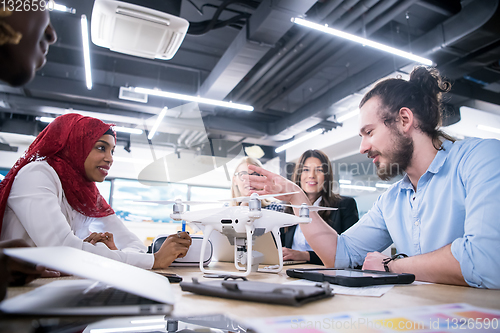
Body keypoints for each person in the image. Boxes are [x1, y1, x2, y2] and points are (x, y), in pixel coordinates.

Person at [247, 66, 500, 289]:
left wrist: (392, 265)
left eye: (369, 132)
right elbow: (340, 255)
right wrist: (296, 196)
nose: (363, 147)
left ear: (404, 119)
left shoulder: (481, 158)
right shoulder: (391, 201)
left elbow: (486, 261)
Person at [0, 113, 191, 269]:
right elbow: (63, 249)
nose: (110, 158)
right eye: (101, 148)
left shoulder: (86, 193)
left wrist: (114, 251)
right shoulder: (37, 174)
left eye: (112, 151)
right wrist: (154, 260)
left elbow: (134, 245)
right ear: (75, 145)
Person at [280, 150, 358, 264]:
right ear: (299, 175)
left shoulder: (344, 205)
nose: (311, 175)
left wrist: (305, 256)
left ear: (327, 176)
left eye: (319, 170)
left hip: (326, 273)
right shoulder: (289, 209)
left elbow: (349, 254)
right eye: (306, 170)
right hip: (290, 273)